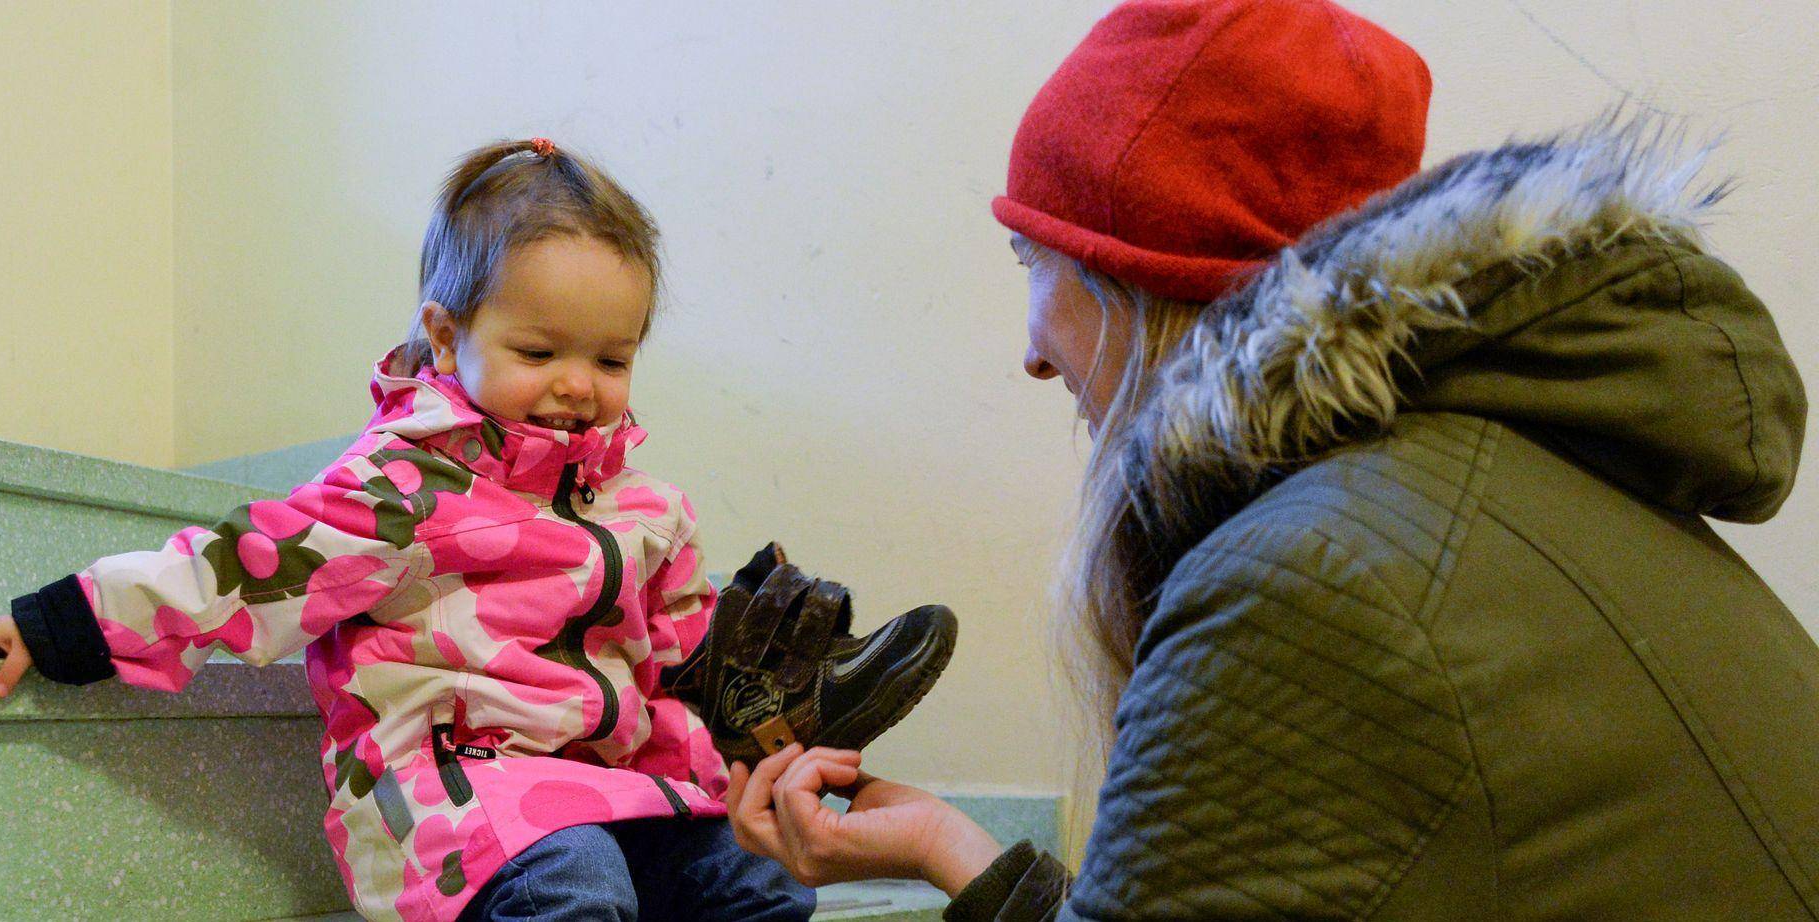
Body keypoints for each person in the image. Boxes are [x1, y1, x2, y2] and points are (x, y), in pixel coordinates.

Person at [723, 1, 1819, 919]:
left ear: (1143, 281)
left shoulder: (1311, 581)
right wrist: (944, 846)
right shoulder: (1488, 489)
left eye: (1033, 261)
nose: (1029, 351)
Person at [0, 139, 815, 921]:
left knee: (766, 879)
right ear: (445, 336)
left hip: (612, 786)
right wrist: (57, 625)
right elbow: (246, 569)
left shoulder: (647, 510)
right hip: (450, 791)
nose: (579, 385)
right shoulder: (406, 488)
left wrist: (743, 729)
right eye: (540, 354)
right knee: (575, 882)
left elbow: (679, 659)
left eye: (611, 359)